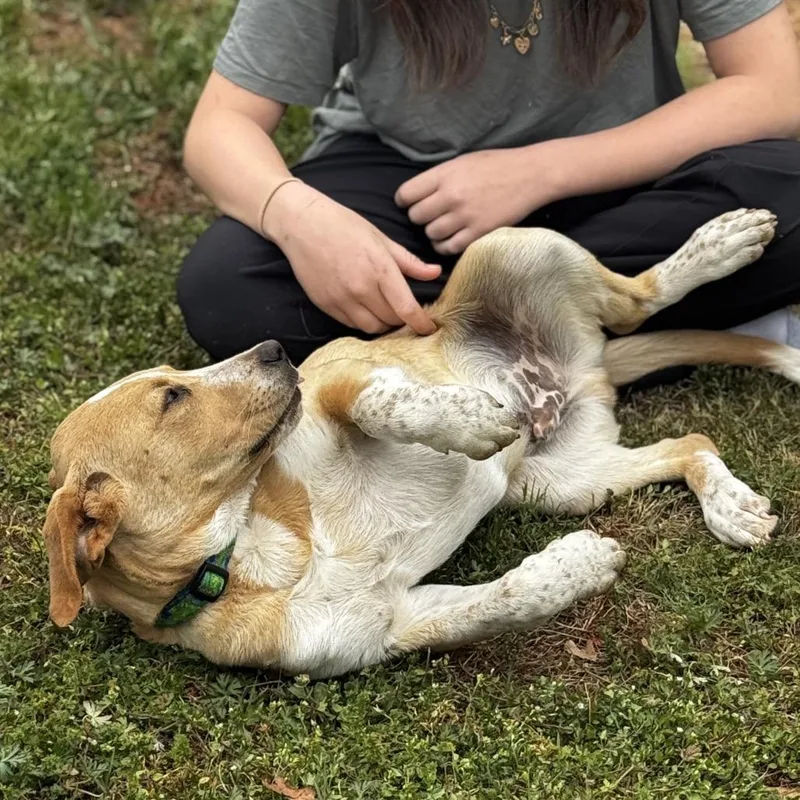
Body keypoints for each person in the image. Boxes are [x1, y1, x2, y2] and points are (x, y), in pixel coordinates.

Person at [177, 0, 800, 366]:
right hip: (412, 183)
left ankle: (463, 348)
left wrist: (541, 169)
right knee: (230, 288)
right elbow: (220, 126)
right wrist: (303, 221)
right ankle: (646, 316)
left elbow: (776, 87)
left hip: (619, 172)